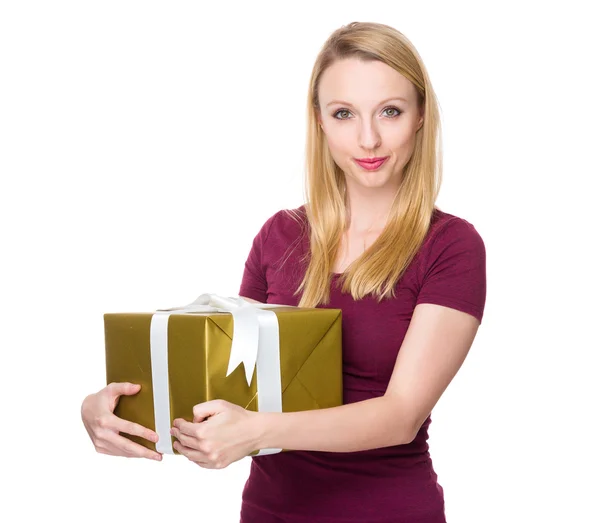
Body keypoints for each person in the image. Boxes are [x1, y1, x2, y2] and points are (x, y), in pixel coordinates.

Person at [82, 21, 486, 523]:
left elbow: (400, 416)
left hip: (388, 511)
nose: (368, 137)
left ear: (421, 116)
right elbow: (227, 390)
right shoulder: (280, 235)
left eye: (390, 111)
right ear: (319, 121)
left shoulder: (450, 246)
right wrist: (115, 413)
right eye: (344, 113)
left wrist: (259, 431)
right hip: (271, 512)